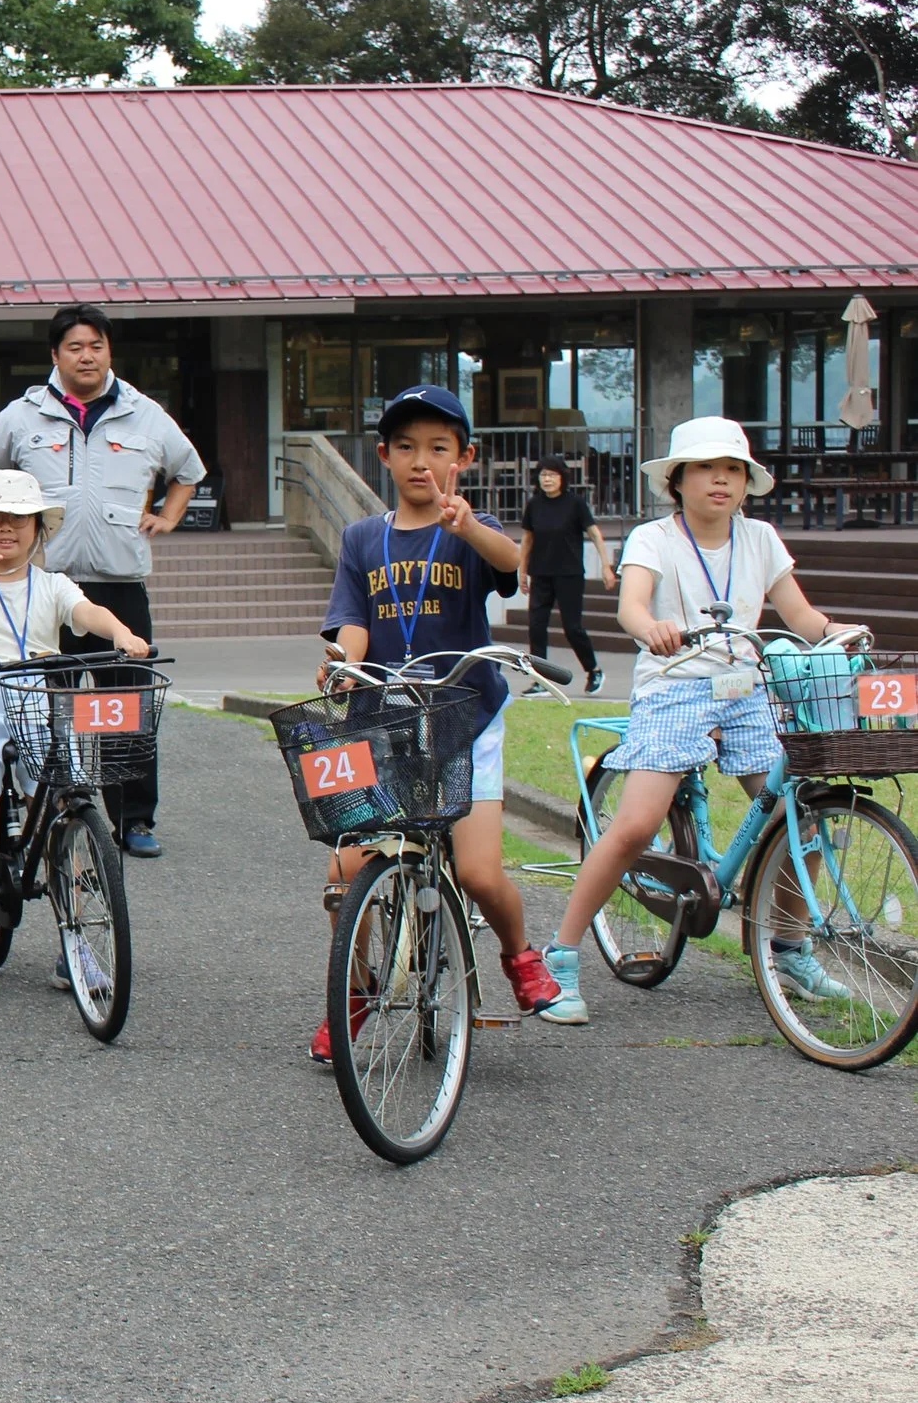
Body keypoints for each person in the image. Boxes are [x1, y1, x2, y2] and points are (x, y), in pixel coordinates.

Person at [542, 416, 850, 1024]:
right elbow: (632, 604)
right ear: (677, 480)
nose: (722, 480)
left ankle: (788, 944)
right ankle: (561, 956)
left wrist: (836, 633)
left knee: (803, 816)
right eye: (708, 468)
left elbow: (801, 614)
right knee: (633, 826)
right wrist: (649, 627)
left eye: (734, 470)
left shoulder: (760, 538)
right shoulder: (654, 538)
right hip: (674, 685)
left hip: (745, 688)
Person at [313, 386, 561, 1060]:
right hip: (387, 725)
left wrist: (468, 525)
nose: (422, 461)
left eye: (440, 449)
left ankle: (519, 956)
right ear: (386, 455)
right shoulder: (363, 538)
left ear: (465, 458)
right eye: (408, 448)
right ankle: (355, 990)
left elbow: (514, 565)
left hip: (466, 718)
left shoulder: (466, 532)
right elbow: (354, 622)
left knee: (480, 874)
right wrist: (342, 662)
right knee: (345, 867)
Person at [0, 305, 204, 859]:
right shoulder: (24, 415)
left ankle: (134, 819)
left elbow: (188, 470)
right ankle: (54, 811)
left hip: (121, 584)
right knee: (49, 710)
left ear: (108, 351)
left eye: (96, 345)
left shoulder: (144, 413)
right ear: (55, 355)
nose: (87, 355)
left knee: (129, 709)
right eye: (75, 347)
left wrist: (168, 515)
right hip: (46, 587)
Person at [0, 470, 151, 1005]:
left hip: (39, 698)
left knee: (63, 820)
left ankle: (73, 945)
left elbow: (85, 613)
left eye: (19, 519)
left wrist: (120, 631)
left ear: (37, 528)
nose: (7, 529)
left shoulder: (51, 584)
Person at [520, 455, 618, 695]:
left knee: (572, 627)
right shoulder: (534, 504)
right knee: (536, 626)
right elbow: (527, 539)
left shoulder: (575, 504)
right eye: (543, 475)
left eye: (552, 475)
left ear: (562, 478)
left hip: (569, 574)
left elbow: (594, 534)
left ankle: (593, 670)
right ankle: (540, 679)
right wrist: (522, 570)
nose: (547, 480)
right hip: (541, 573)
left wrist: (606, 566)